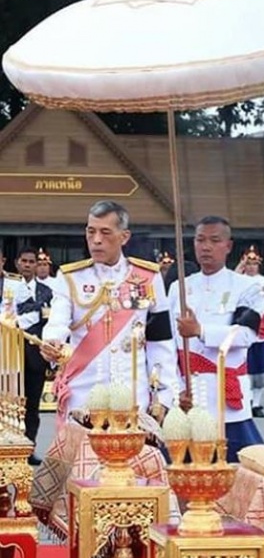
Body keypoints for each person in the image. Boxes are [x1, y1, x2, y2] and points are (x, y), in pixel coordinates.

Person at [35, 200, 177, 535]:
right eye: (90, 232)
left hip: (134, 399)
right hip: (85, 400)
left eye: (105, 233)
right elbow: (57, 321)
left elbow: (161, 342)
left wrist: (167, 395)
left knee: (134, 485)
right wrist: (52, 342)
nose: (95, 240)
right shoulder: (70, 278)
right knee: (85, 485)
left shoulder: (148, 277)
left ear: (123, 236)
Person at [170, 216, 264, 462]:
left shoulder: (248, 288)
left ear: (228, 246)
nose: (206, 247)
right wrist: (174, 389)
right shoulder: (179, 287)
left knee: (239, 470)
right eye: (200, 240)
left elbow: (247, 334)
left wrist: (201, 330)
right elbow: (168, 345)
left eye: (214, 240)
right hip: (188, 393)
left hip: (226, 399)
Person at [15, 247, 53, 464]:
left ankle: (29, 449)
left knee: (32, 406)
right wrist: (36, 310)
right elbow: (14, 312)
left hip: (35, 355)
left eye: (32, 262)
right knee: (10, 404)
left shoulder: (47, 290)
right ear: (17, 263)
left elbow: (48, 317)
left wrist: (31, 310)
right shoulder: (9, 287)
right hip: (11, 353)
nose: (29, 265)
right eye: (25, 261)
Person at [235, 245, 264, 418]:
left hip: (263, 329)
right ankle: (247, 400)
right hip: (244, 325)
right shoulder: (238, 279)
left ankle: (257, 402)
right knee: (245, 367)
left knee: (262, 367)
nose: (251, 267)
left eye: (254, 264)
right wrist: (239, 267)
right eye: (249, 263)